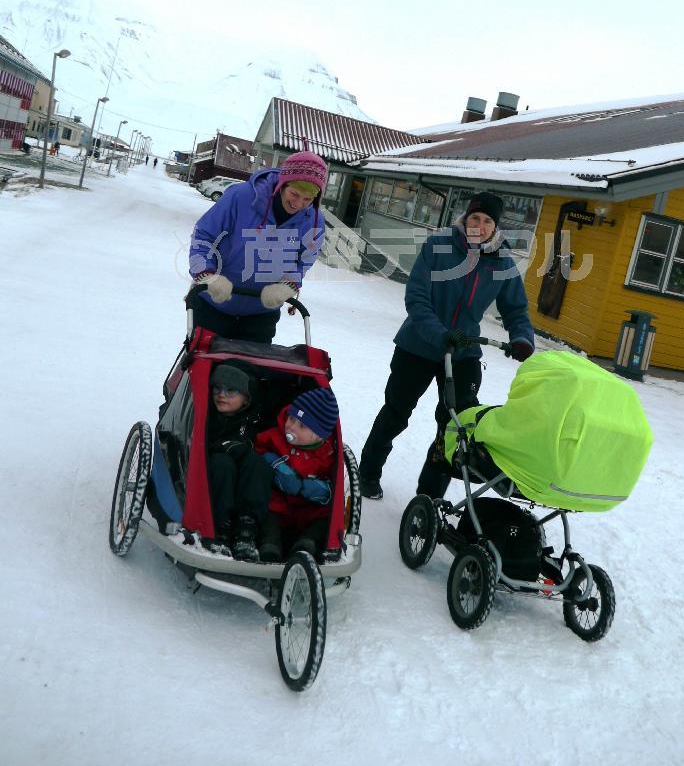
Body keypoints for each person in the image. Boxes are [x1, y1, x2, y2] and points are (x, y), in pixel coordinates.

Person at [358, 191, 535, 501]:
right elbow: (417, 297)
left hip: (464, 350)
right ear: (465, 219)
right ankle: (368, 473)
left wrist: (522, 338)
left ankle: (430, 498)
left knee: (455, 426)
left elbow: (516, 309)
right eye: (475, 218)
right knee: (396, 412)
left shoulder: (502, 262)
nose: (480, 225)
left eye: (488, 221)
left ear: (495, 228)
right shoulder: (439, 246)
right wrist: (439, 335)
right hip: (418, 344)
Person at [188, 150, 328, 342]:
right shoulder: (241, 197)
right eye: (294, 194)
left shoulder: (314, 220)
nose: (298, 204)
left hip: (261, 314)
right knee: (203, 359)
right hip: (213, 305)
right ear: (282, 184)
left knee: (252, 362)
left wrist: (288, 285)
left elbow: (304, 260)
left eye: (307, 199)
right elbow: (203, 236)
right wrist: (206, 275)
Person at [255, 387, 338, 561]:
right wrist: (275, 465)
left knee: (325, 515)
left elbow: (335, 481)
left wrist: (324, 490)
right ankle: (270, 544)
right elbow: (257, 451)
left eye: (302, 426)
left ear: (319, 436)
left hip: (307, 506)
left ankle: (307, 543)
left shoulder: (327, 455)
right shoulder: (275, 437)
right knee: (269, 508)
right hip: (279, 498)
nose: (291, 427)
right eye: (291, 418)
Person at [206, 363, 273, 560]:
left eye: (231, 391)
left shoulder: (254, 420)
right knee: (222, 464)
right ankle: (221, 529)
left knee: (257, 464)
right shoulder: (208, 415)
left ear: (246, 399)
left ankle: (246, 531)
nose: (221, 394)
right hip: (214, 474)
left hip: (244, 479)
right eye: (217, 388)